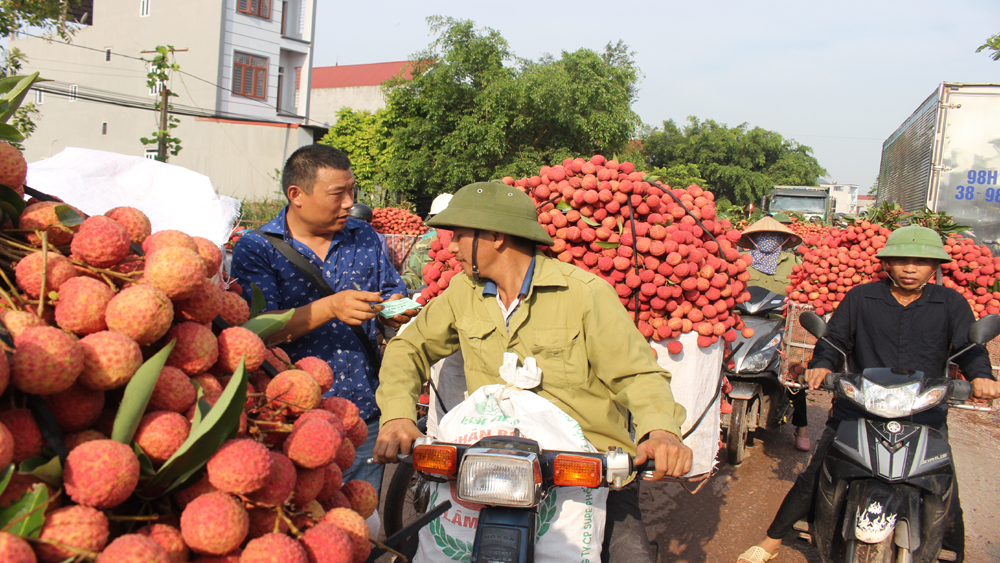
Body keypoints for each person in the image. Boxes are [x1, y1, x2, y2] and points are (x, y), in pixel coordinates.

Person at [372, 181, 693, 562]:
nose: (452, 246)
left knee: (629, 555)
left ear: (495, 236)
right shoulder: (463, 291)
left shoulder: (585, 294)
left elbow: (637, 374)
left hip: (581, 467)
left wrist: (661, 431)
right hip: (491, 467)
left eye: (459, 235)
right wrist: (396, 415)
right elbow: (410, 347)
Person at [737, 225, 1000, 563]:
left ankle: (953, 553)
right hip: (861, 405)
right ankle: (772, 540)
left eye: (920, 262)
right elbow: (834, 340)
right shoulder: (862, 297)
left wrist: (981, 377)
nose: (909, 268)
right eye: (901, 260)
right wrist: (823, 365)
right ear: (888, 263)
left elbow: (969, 347)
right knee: (818, 471)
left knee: (943, 485)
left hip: (923, 409)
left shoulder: (950, 302)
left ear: (934, 266)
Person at [231, 144, 416, 495]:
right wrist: (331, 307)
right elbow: (256, 332)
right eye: (337, 193)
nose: (349, 202)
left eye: (352, 191)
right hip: (293, 417)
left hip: (362, 412)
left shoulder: (364, 236)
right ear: (296, 195)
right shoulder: (259, 247)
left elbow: (391, 288)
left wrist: (395, 309)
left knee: (362, 522)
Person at [737, 214, 811, 451]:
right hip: (743, 324)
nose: (768, 240)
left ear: (783, 239)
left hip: (782, 325)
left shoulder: (794, 263)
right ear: (754, 239)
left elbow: (804, 291)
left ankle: (802, 427)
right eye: (763, 236)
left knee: (795, 375)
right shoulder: (741, 260)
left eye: (774, 236)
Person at [401, 193, 453, 290]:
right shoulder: (422, 246)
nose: (443, 224)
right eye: (437, 219)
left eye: (447, 218)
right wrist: (399, 285)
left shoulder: (467, 246)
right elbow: (412, 277)